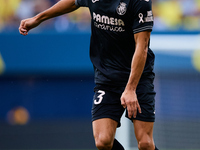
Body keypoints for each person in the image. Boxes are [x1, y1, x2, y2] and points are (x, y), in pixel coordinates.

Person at [19, 0, 158, 150]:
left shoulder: (140, 2)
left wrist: (131, 89)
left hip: (138, 78)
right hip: (107, 77)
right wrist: (37, 19)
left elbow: (142, 47)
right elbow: (73, 2)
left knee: (145, 143)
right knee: (103, 141)